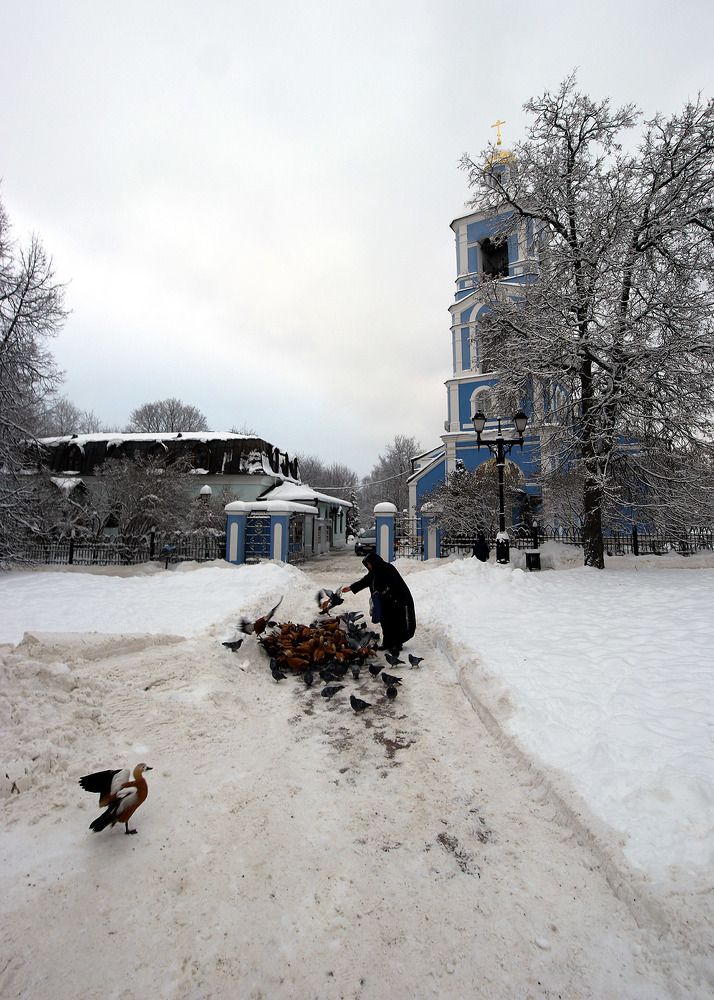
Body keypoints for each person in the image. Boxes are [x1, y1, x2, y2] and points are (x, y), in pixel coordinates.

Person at [342, 552, 416, 652]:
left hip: (397, 600)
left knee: (397, 622)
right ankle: (387, 642)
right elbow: (365, 581)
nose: (368, 566)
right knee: (385, 622)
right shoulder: (374, 572)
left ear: (374, 562)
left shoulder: (388, 569)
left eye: (369, 564)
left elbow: (395, 585)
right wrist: (351, 588)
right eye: (367, 565)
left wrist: (385, 591)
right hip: (385, 601)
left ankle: (397, 644)